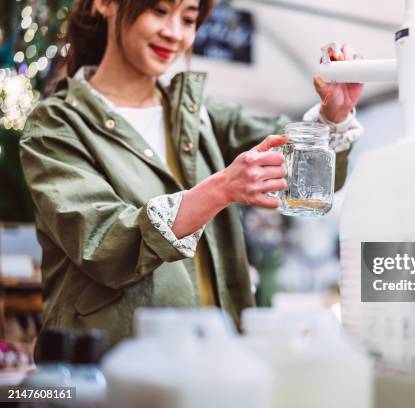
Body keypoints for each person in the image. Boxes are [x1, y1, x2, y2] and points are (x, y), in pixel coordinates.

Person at [19, 0, 364, 350]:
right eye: (158, 10)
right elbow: (102, 243)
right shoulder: (56, 125)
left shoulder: (202, 116)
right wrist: (220, 190)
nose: (175, 33)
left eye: (188, 18)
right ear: (105, 4)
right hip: (112, 372)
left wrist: (333, 114)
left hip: (214, 364)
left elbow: (302, 172)